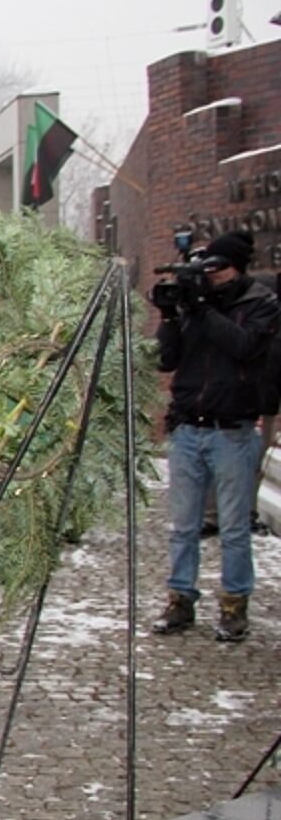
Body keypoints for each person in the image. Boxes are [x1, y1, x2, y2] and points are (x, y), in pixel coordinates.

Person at [151, 230, 280, 642]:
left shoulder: (260, 304)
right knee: (183, 526)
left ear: (236, 268)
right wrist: (171, 317)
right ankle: (180, 599)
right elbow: (166, 360)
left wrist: (203, 308)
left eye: (218, 268)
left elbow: (244, 347)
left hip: (232, 432)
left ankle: (234, 605)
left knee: (234, 528)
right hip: (188, 427)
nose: (211, 275)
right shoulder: (194, 305)